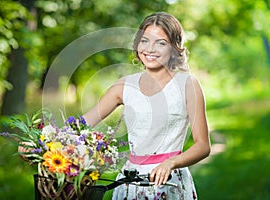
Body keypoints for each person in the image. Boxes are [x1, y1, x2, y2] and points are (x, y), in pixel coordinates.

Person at [84, 12, 211, 200]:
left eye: (161, 42)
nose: (150, 49)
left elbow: (203, 145)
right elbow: (79, 126)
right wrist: (41, 143)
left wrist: (171, 162)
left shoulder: (188, 85)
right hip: (130, 183)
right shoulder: (124, 86)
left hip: (169, 183)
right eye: (145, 41)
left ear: (174, 48)